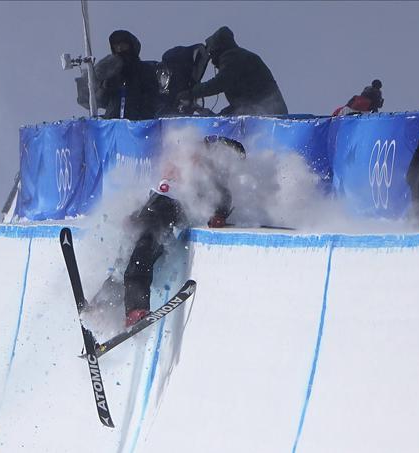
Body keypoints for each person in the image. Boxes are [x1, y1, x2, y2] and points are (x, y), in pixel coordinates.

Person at [103, 136, 245, 327]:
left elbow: (220, 198)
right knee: (131, 255)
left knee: (141, 251)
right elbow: (162, 192)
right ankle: (104, 305)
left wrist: (219, 215)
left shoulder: (211, 176)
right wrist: (135, 214)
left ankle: (127, 307)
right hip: (160, 206)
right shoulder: (201, 163)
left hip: (166, 210)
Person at [176, 26, 288, 116]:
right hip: (266, 110)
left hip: (267, 113)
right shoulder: (241, 56)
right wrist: (218, 116)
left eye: (211, 54)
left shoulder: (232, 56)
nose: (212, 62)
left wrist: (191, 93)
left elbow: (219, 83)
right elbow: (242, 104)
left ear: (216, 49)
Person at [93, 30, 160, 120]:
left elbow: (152, 98)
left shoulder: (145, 70)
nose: (120, 48)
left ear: (131, 46)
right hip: (113, 123)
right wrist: (105, 87)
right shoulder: (111, 72)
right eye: (116, 46)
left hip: (138, 123)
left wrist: (142, 117)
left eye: (123, 45)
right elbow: (101, 101)